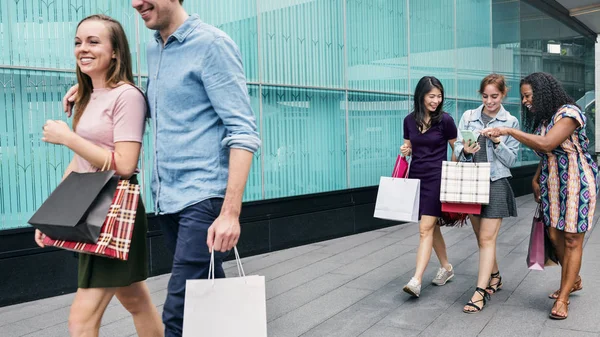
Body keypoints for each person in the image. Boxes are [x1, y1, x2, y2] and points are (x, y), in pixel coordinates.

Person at [63, 1, 260, 336]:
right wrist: (93, 91)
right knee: (206, 303)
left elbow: (243, 132)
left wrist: (229, 212)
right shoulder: (157, 50)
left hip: (203, 199)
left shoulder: (212, 45)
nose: (137, 2)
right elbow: (154, 110)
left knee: (178, 314)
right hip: (167, 200)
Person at [35, 14, 163, 337]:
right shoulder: (88, 95)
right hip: (95, 210)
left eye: (94, 42)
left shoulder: (128, 97)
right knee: (136, 300)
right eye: (78, 42)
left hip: (115, 211)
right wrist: (52, 214)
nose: (83, 48)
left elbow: (124, 163)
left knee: (81, 321)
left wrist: (68, 137)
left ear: (116, 51)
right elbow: (81, 162)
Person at [484, 72, 597, 320]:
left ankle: (564, 297)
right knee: (555, 235)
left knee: (571, 239)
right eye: (523, 97)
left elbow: (547, 143)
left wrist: (508, 131)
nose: (525, 101)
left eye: (527, 95)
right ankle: (574, 279)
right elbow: (548, 153)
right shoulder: (545, 118)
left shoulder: (569, 113)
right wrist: (536, 178)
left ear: (543, 93)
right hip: (552, 182)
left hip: (578, 181)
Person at [454, 74, 520, 313]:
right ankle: (495, 276)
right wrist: (467, 150)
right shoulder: (468, 117)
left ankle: (479, 293)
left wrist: (496, 142)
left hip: (496, 182)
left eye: (494, 96)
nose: (490, 101)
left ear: (503, 94)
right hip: (472, 182)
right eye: (485, 96)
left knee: (486, 239)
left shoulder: (510, 122)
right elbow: (460, 149)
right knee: (480, 237)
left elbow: (511, 159)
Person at [400, 76, 458, 298]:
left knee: (424, 229)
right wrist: (406, 150)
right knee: (432, 227)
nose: (436, 100)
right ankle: (447, 267)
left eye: (439, 96)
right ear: (421, 96)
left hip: (437, 178)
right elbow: (409, 147)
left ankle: (416, 280)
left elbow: (457, 148)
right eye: (432, 96)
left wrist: (452, 171)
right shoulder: (408, 120)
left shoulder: (445, 120)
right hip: (417, 177)